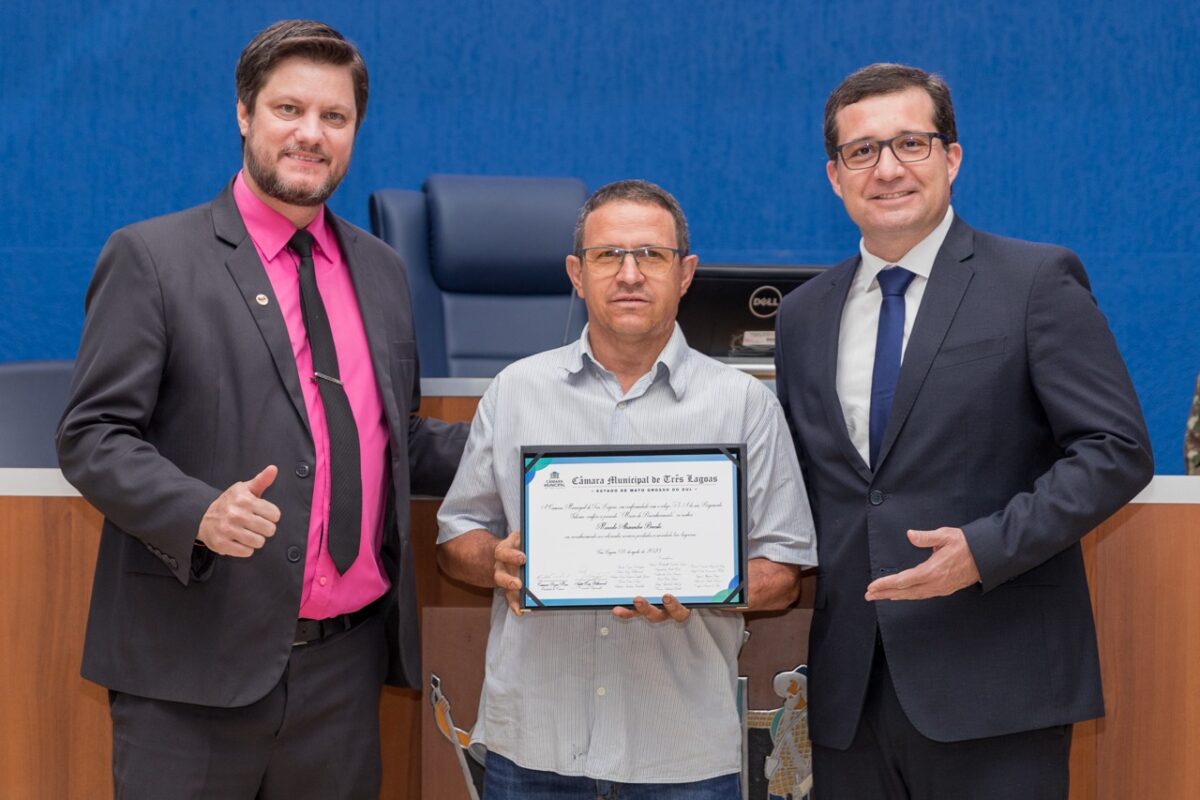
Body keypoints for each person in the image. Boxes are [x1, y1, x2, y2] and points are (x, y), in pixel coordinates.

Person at [56, 19, 465, 798]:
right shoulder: (152, 257)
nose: (311, 134)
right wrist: (198, 509)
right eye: (288, 110)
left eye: (334, 117)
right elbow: (92, 435)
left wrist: (530, 452)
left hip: (343, 677)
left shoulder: (380, 270)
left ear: (355, 132)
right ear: (245, 114)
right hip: (192, 671)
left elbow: (391, 438)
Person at [774, 63, 1154, 798]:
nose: (887, 169)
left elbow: (1117, 449)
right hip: (851, 694)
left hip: (997, 685)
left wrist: (982, 550)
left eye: (911, 144)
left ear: (952, 158)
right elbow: (810, 484)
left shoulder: (1035, 281)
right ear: (834, 175)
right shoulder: (802, 315)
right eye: (863, 151)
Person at [436, 179, 817, 799]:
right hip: (533, 744)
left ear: (686, 272)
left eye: (652, 255)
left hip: (682, 754)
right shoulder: (515, 391)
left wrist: (708, 587)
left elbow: (783, 571)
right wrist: (496, 561)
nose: (630, 273)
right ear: (576, 273)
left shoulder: (745, 404)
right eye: (609, 255)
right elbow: (456, 540)